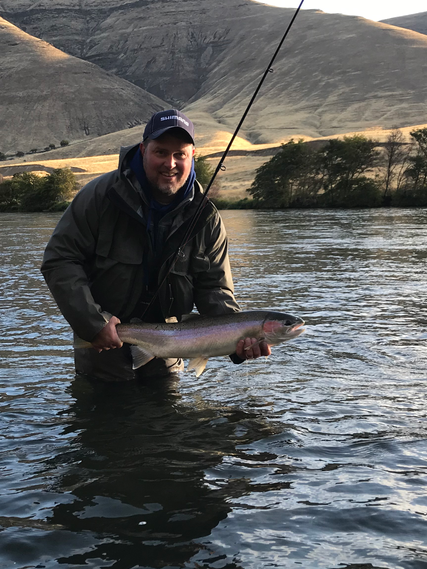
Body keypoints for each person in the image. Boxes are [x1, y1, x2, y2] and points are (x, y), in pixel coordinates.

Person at [42, 109, 270, 381]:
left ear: (192, 156)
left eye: (180, 155)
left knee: (165, 421)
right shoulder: (101, 197)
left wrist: (239, 341)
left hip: (169, 348)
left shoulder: (206, 217)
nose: (170, 163)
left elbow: (214, 290)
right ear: (142, 150)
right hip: (103, 344)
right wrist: (92, 323)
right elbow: (60, 260)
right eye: (161, 152)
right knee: (100, 416)